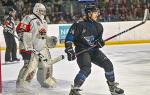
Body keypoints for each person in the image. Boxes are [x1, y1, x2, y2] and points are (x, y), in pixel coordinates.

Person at [64, 5, 125, 95]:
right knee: (86, 69)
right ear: (89, 14)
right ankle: (74, 90)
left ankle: (112, 88)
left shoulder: (99, 26)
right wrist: (69, 50)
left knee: (108, 65)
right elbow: (69, 38)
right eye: (95, 13)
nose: (97, 14)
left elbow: (97, 41)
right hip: (82, 50)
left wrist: (100, 43)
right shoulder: (78, 24)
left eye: (98, 12)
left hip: (94, 50)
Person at [16, 3, 58, 89]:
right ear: (36, 10)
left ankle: (46, 81)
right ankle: (22, 84)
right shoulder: (29, 18)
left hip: (41, 48)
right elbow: (20, 30)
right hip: (29, 47)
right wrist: (26, 41)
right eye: (41, 10)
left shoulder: (45, 22)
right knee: (30, 67)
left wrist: (48, 39)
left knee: (46, 65)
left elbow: (42, 36)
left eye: (44, 11)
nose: (42, 12)